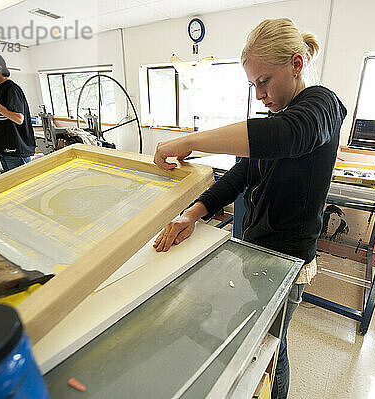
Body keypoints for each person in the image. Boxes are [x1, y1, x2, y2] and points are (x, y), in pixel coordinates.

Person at [152, 18, 347, 399]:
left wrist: (190, 141)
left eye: (264, 81)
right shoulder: (279, 115)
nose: (259, 94)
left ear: (296, 64)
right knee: (260, 335)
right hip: (257, 249)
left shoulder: (322, 104)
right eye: (252, 84)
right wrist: (193, 213)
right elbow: (243, 172)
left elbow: (286, 138)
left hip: (288, 258)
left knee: (272, 345)